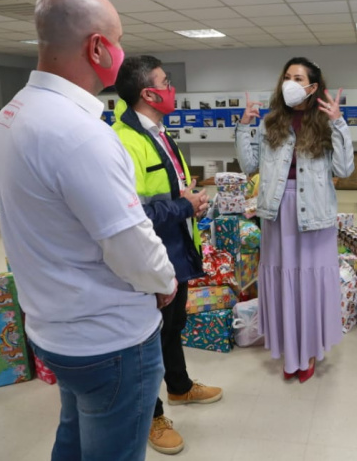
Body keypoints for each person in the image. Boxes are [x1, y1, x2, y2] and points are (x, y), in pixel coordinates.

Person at [0, 0, 177, 461]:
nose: (121, 51)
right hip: (110, 339)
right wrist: (166, 280)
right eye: (118, 40)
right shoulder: (81, 133)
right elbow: (130, 243)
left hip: (55, 331)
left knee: (73, 439)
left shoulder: (11, 116)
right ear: (97, 47)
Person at [113, 56, 222, 455]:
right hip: (150, 256)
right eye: (165, 82)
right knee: (149, 339)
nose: (171, 87)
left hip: (176, 250)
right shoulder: (124, 142)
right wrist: (184, 207)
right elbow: (132, 213)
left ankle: (179, 387)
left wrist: (191, 200)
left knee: (173, 325)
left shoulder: (159, 132)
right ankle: (151, 416)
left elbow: (169, 190)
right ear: (148, 92)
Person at [235, 57, 353, 383]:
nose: (290, 82)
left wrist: (341, 124)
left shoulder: (326, 123)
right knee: (284, 281)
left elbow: (344, 170)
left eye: (298, 78)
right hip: (277, 212)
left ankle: (311, 351)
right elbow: (249, 166)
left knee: (311, 283)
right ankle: (290, 350)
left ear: (312, 87)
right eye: (287, 76)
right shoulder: (271, 121)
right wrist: (244, 125)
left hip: (315, 214)